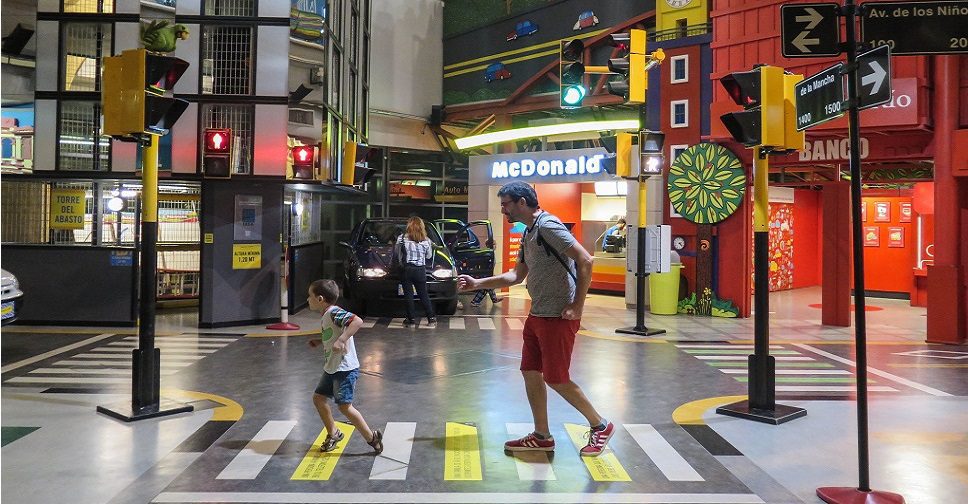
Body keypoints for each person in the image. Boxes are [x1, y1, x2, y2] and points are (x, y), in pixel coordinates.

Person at [457, 181, 614, 457]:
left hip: (557, 316)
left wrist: (577, 306)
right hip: (537, 314)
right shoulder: (529, 232)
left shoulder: (547, 226)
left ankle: (600, 425)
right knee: (530, 372)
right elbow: (515, 276)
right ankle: (542, 435)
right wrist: (477, 283)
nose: (503, 210)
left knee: (557, 378)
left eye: (506, 204)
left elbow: (585, 260)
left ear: (521, 202)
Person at [306, 279, 383, 454]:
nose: (307, 299)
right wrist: (320, 341)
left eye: (309, 296)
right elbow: (334, 332)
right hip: (332, 367)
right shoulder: (327, 315)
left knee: (344, 407)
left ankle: (372, 438)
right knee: (318, 398)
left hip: (344, 369)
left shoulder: (334, 312)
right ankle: (333, 432)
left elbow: (357, 321)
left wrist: (342, 340)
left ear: (319, 298)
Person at [396, 216, 437, 328]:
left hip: (407, 269)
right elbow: (428, 256)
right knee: (423, 294)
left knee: (408, 295)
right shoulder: (427, 240)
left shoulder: (401, 238)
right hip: (420, 270)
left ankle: (411, 320)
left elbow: (398, 254)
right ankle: (431, 319)